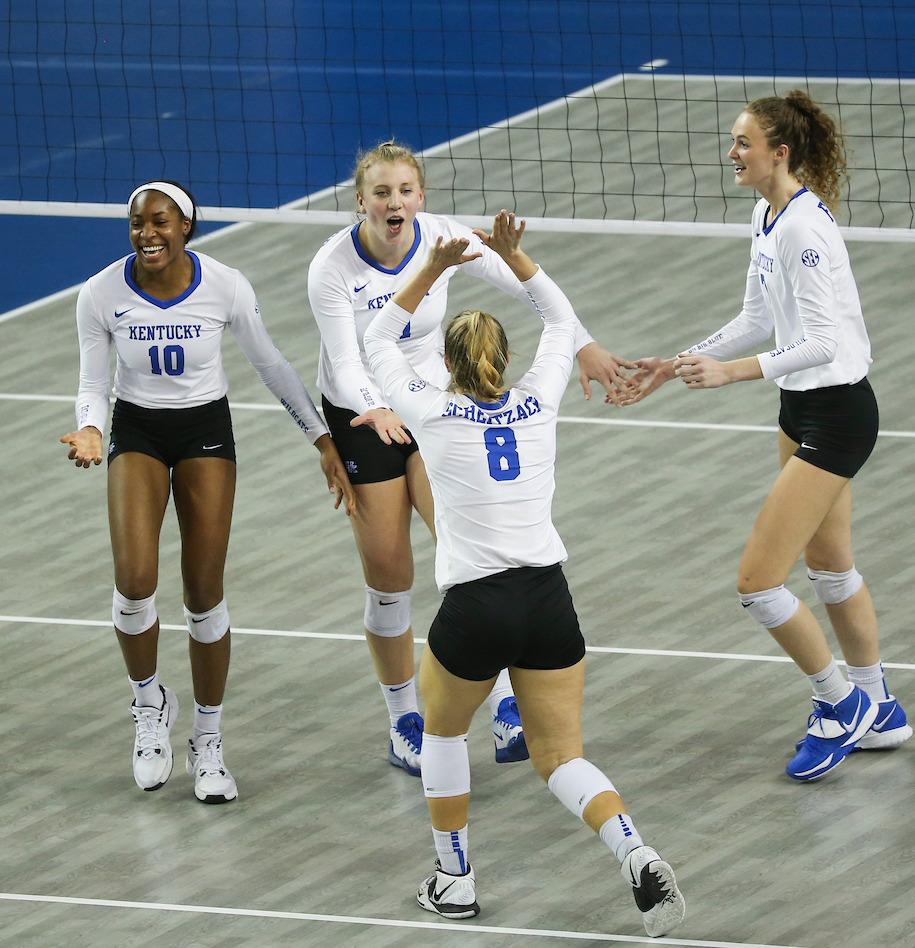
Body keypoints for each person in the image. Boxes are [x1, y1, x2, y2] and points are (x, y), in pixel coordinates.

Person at [361, 217, 685, 937]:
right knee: (562, 755)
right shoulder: (539, 399)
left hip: (477, 604)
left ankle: (454, 880)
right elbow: (561, 320)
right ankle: (633, 848)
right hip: (548, 597)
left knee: (444, 737)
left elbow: (377, 340)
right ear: (505, 358)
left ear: (445, 360)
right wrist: (512, 257)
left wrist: (432, 266)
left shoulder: (430, 410)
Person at [308, 141, 631, 775]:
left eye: (405, 190)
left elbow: (523, 283)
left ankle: (510, 705)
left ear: (420, 196)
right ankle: (404, 715)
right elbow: (348, 362)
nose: (394, 202)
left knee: (476, 549)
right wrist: (375, 408)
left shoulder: (445, 236)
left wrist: (584, 343)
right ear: (361, 201)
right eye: (381, 192)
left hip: (434, 407)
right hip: (362, 411)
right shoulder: (332, 268)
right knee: (390, 572)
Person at [622, 91, 910, 781]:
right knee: (831, 567)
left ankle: (837, 704)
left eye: (743, 143)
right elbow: (756, 315)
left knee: (758, 583)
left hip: (838, 413)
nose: (732, 153)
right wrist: (681, 362)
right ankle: (880, 705)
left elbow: (822, 342)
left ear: (779, 152)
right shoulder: (766, 213)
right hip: (799, 410)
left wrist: (732, 376)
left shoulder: (805, 231)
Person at [60, 180, 354, 804]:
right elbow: (93, 381)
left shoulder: (225, 286)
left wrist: (321, 439)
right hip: (137, 430)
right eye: (137, 223)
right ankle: (148, 706)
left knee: (203, 591)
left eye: (160, 222)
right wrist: (90, 426)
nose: (147, 233)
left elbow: (270, 363)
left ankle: (209, 740)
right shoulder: (100, 294)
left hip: (204, 432)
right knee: (135, 579)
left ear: (186, 227)